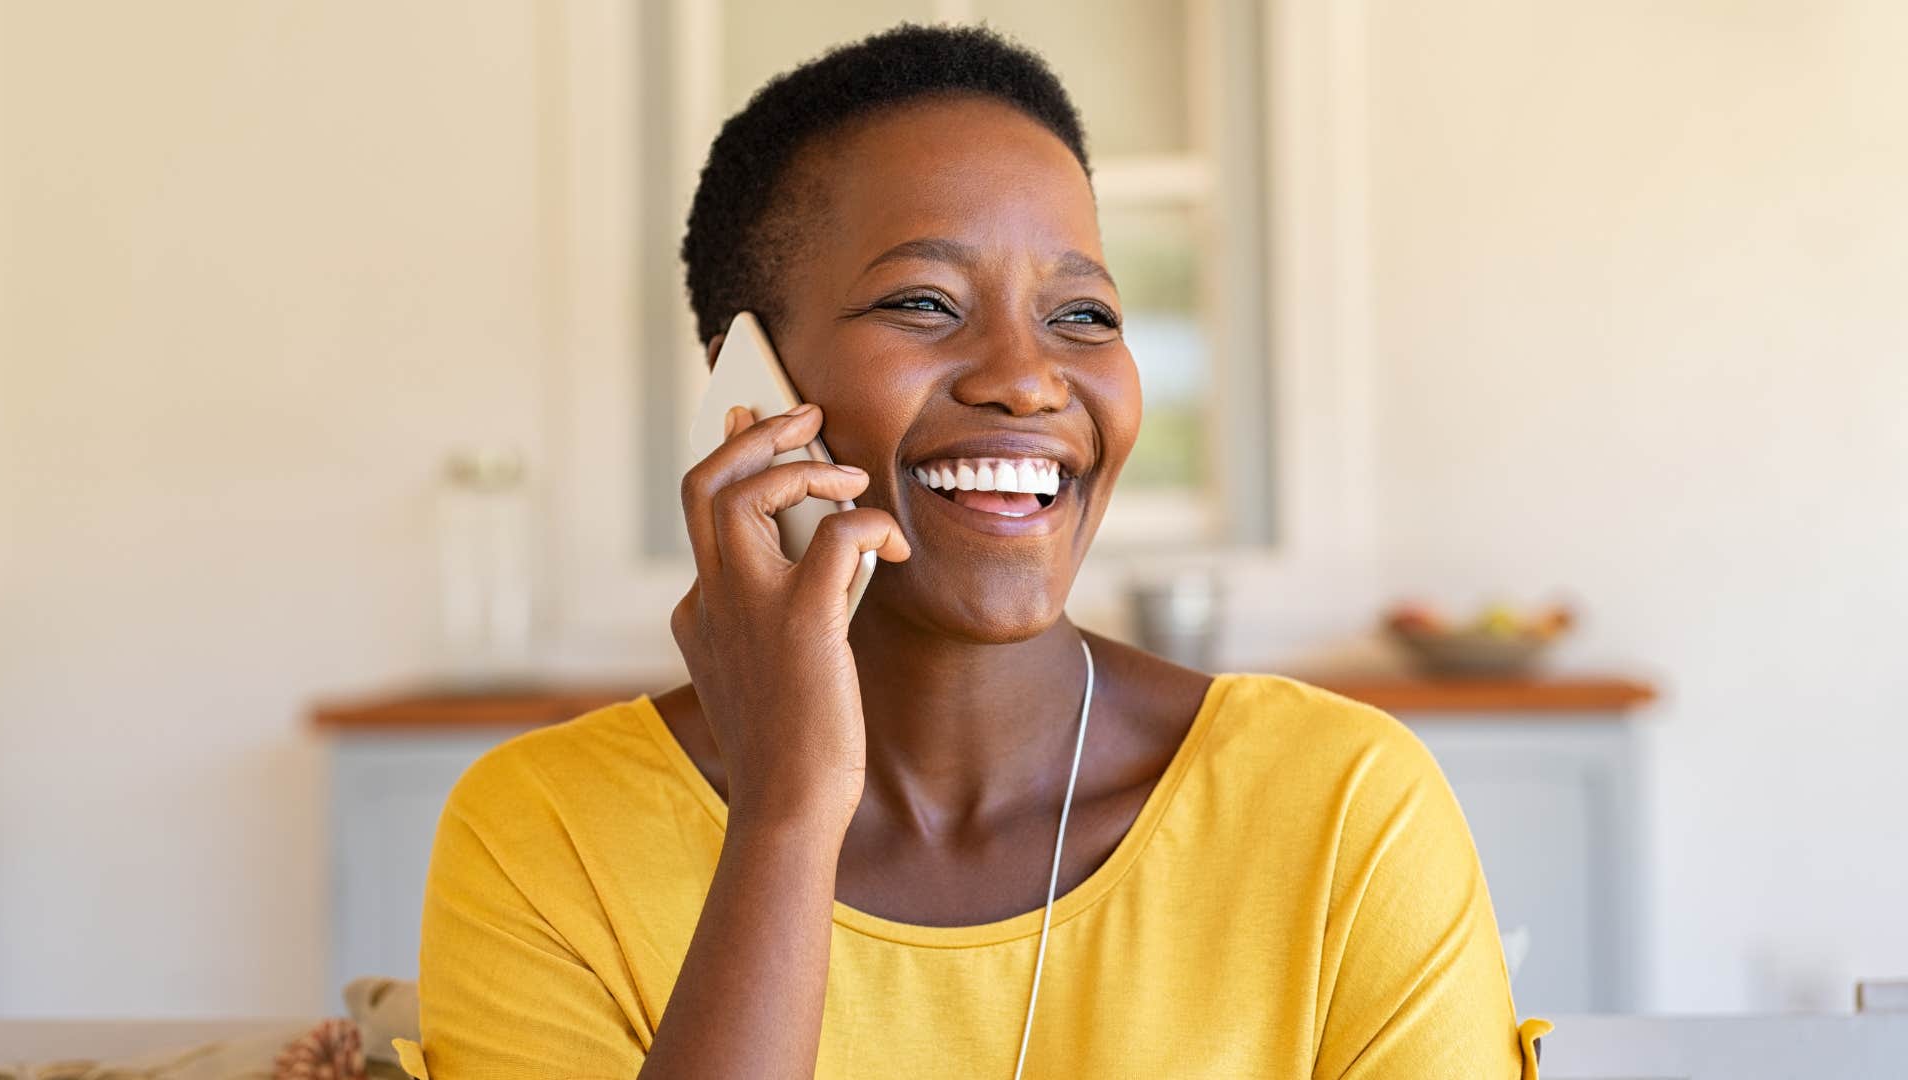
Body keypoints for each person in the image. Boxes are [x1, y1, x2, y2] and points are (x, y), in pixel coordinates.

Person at [402, 23, 1546, 1080]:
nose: (1028, 377)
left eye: (1084, 315)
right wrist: (788, 818)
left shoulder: (1341, 804)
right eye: (923, 301)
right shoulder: (543, 834)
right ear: (748, 382)